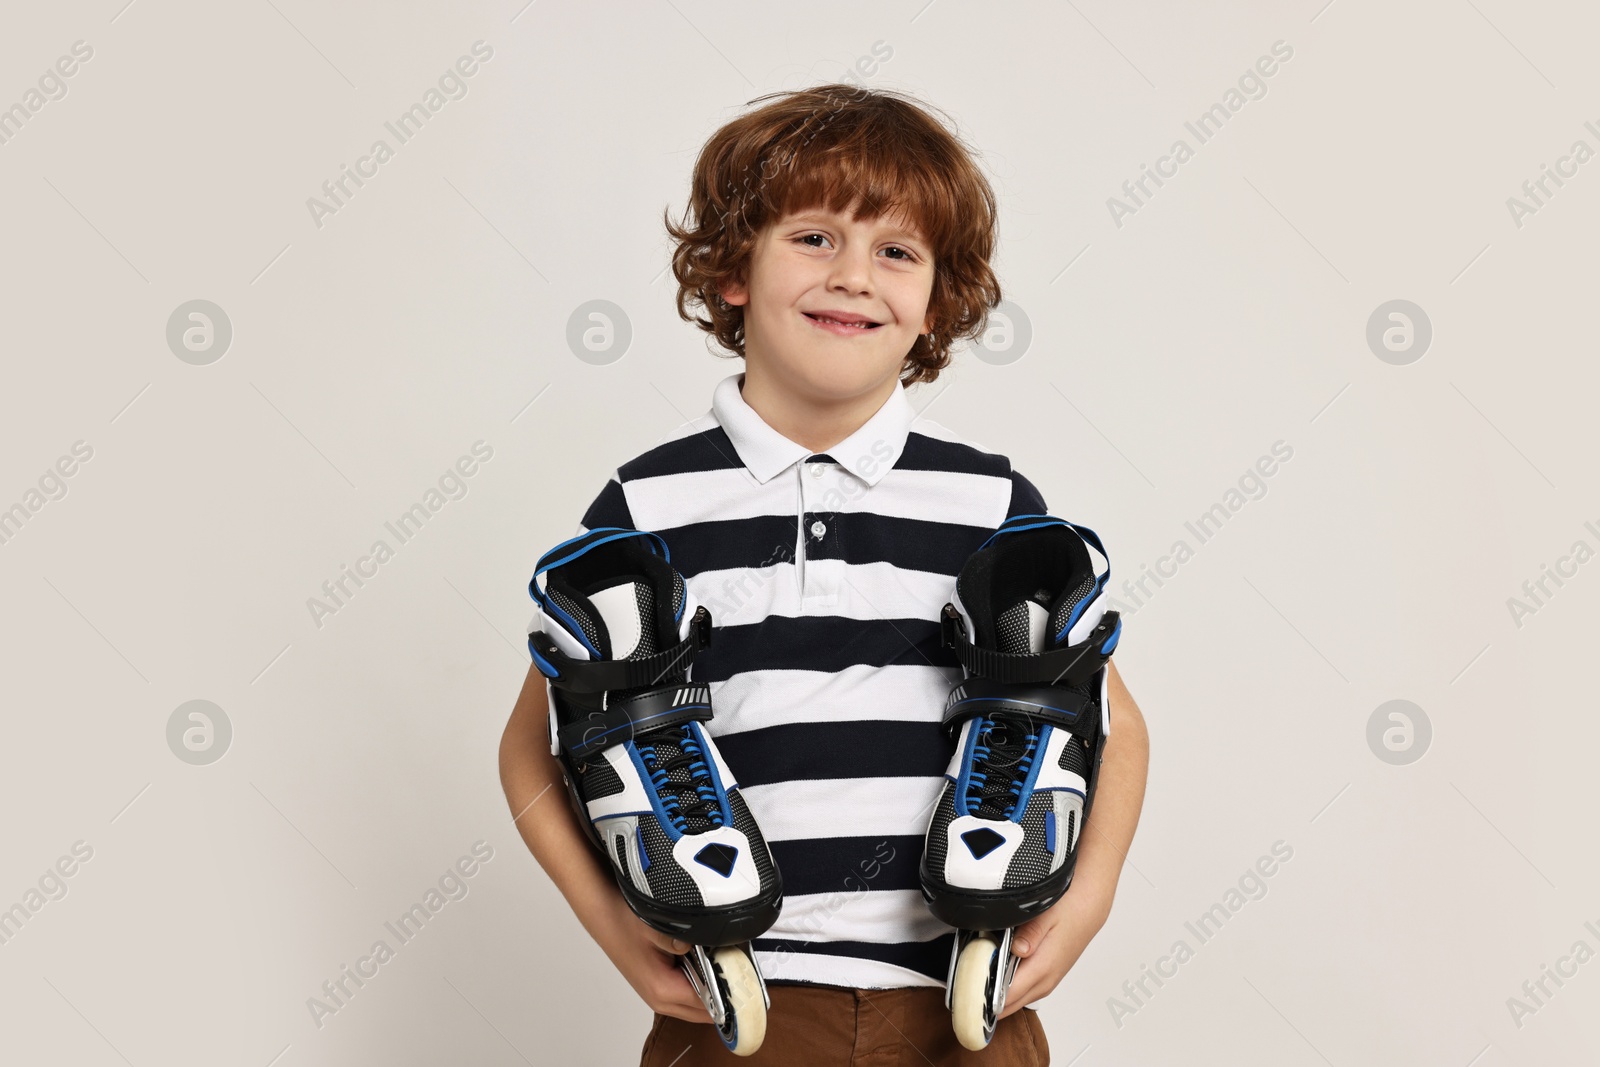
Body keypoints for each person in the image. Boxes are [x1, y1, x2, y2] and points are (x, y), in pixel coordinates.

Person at [499, 82, 1149, 1066]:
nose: (854, 275)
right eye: (814, 238)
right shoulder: (649, 504)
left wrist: (1089, 894)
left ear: (936, 304)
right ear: (729, 272)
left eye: (896, 251)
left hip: (963, 1002)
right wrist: (614, 927)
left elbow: (1114, 718)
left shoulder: (985, 500)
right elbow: (530, 744)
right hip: (748, 1004)